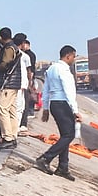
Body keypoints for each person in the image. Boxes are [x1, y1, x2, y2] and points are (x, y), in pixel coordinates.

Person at [33, 45, 80, 181]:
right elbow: (69, 92)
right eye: (74, 56)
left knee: (65, 135)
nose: (74, 59)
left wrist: (46, 108)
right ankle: (46, 158)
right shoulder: (64, 70)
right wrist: (75, 110)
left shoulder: (52, 68)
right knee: (69, 135)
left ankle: (63, 167)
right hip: (62, 103)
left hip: (54, 104)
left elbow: (46, 89)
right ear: (68, 56)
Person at [0, 28, 25, 151]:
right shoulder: (14, 47)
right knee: (11, 111)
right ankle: (12, 135)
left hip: (8, 84)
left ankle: (8, 138)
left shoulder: (8, 48)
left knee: (1, 107)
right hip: (14, 84)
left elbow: (5, 64)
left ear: (1, 37)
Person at [19, 36, 37, 132]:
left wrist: (30, 82)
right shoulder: (24, 54)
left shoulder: (28, 55)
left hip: (26, 81)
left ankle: (29, 114)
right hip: (24, 82)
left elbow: (30, 70)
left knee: (27, 99)